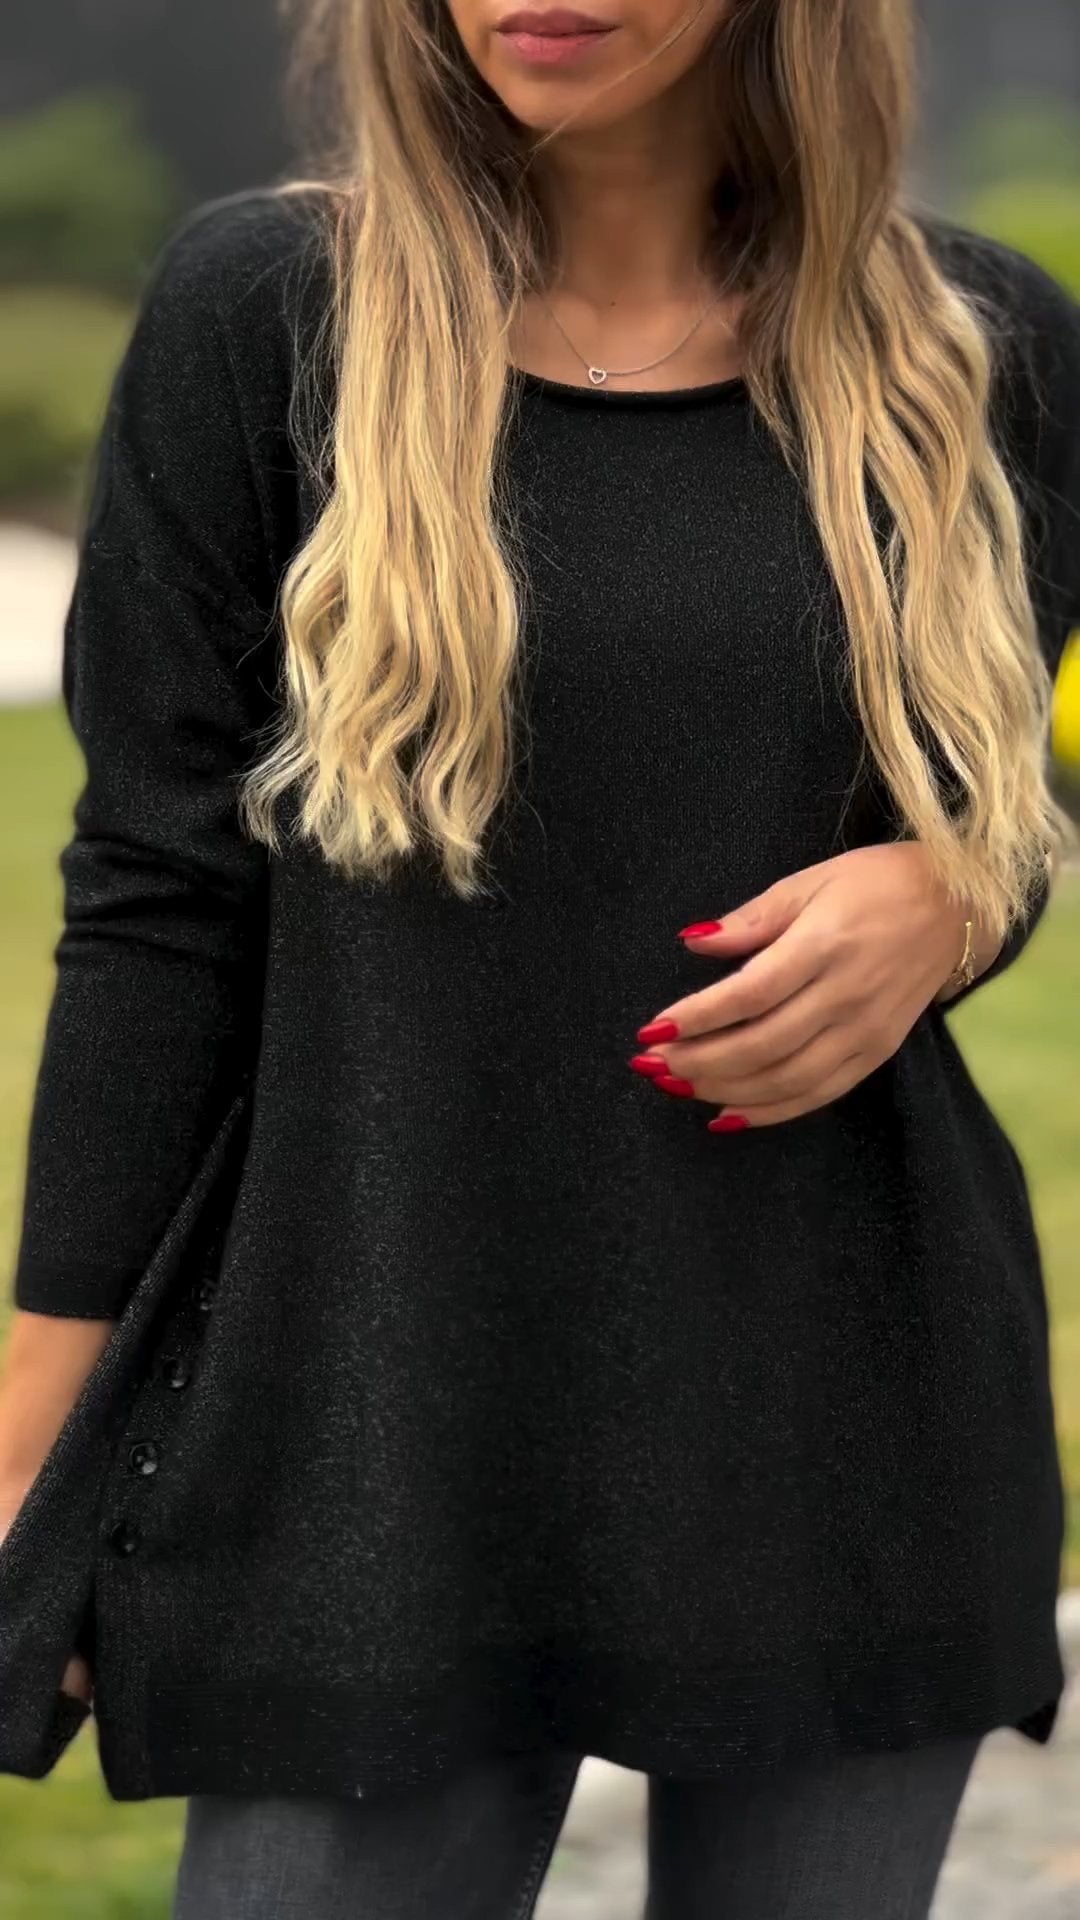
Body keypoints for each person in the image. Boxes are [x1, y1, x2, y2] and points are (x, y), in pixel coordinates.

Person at [1, 0, 1078, 1913]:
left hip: (848, 1411)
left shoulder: (978, 347)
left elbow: (1003, 805)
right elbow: (157, 902)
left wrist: (957, 895)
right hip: (376, 1420)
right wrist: (34, 1450)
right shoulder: (270, 314)